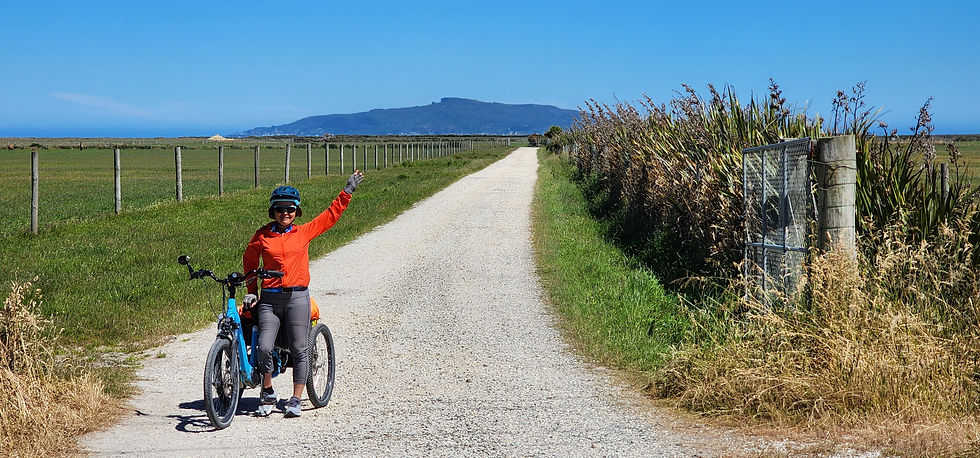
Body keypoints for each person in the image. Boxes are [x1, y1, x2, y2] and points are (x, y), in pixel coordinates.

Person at [241, 170, 364, 417]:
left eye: (290, 209)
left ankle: (296, 398)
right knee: (264, 347)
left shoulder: (304, 232)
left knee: (299, 348)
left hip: (298, 297)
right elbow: (250, 262)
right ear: (272, 212)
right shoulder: (262, 236)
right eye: (280, 209)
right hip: (270, 300)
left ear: (297, 212)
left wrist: (347, 191)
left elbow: (330, 217)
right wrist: (252, 292)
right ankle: (267, 391)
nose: (285, 213)